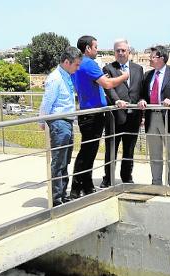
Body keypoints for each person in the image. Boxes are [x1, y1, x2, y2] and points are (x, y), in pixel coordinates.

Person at [70, 35, 129, 199]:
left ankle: (86, 186)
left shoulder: (79, 63)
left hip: (89, 113)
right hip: (92, 115)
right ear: (88, 48)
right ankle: (76, 188)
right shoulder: (89, 63)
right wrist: (124, 76)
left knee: (89, 152)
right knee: (86, 152)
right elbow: (108, 84)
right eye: (96, 47)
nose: (97, 50)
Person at [38, 47, 82, 207]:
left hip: (67, 122)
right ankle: (57, 199)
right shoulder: (55, 78)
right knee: (58, 161)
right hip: (59, 122)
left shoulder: (67, 76)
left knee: (65, 160)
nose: (77, 68)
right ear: (66, 62)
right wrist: (42, 121)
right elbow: (47, 102)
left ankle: (62, 194)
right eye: (76, 65)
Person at [137, 45, 170, 186]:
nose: (150, 59)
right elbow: (143, 95)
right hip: (152, 118)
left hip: (169, 118)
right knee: (155, 154)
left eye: (152, 57)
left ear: (162, 58)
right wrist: (141, 101)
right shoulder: (148, 75)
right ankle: (156, 183)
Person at [100, 38, 144, 187]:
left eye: (123, 50)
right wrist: (117, 100)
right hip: (115, 116)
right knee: (111, 149)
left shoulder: (138, 69)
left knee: (129, 150)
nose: (120, 53)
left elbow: (141, 90)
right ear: (114, 52)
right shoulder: (108, 69)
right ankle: (108, 178)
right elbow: (108, 88)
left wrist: (142, 103)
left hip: (134, 117)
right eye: (117, 50)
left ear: (129, 52)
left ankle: (127, 177)